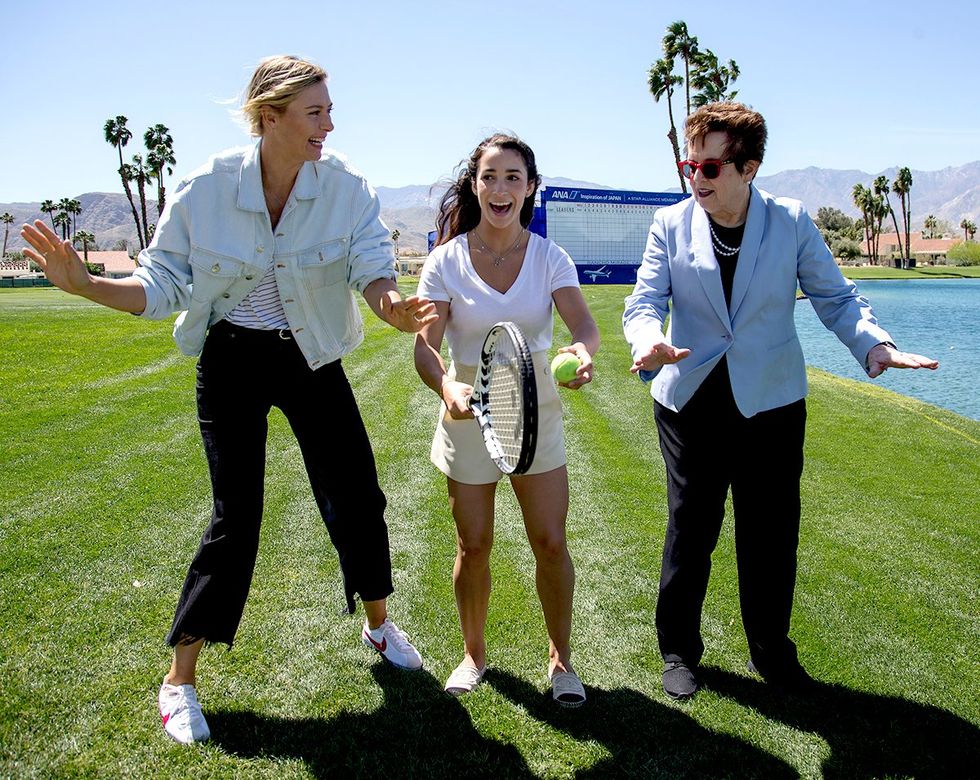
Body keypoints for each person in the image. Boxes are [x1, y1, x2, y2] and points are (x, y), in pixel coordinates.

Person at [21, 55, 437, 744]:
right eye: (315, 112)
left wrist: (391, 307)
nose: (330, 125)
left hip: (311, 356)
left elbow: (372, 266)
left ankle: (379, 625)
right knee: (235, 516)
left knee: (358, 494)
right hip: (233, 358)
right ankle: (179, 680)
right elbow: (161, 285)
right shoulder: (206, 189)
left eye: (328, 110)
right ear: (268, 118)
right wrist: (88, 284)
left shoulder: (347, 188)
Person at [622, 102, 939, 701]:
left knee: (770, 532)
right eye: (693, 165)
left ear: (750, 168)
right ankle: (679, 651)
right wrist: (649, 340)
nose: (698, 178)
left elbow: (836, 297)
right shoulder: (669, 222)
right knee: (692, 527)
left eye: (713, 167)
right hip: (689, 398)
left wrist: (876, 347)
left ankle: (770, 650)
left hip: (771, 401)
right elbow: (643, 302)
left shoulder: (790, 221)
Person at [413, 134, 600, 706]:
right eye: (490, 176)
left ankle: (562, 661)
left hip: (536, 408)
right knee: (473, 543)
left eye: (513, 177)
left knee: (549, 540)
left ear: (530, 188)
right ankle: (473, 656)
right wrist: (446, 384)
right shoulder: (445, 260)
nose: (501, 188)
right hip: (468, 413)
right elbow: (425, 347)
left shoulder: (549, 257)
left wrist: (584, 355)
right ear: (475, 185)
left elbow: (584, 329)